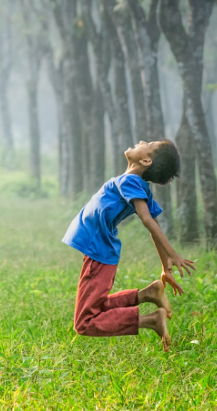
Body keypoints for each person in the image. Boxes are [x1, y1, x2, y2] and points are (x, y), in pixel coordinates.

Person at [62, 140, 195, 352]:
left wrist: (172, 254)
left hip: (99, 251)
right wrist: (165, 268)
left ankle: (151, 320)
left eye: (149, 144)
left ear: (146, 160)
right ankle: (148, 294)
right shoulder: (135, 184)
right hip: (99, 250)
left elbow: (148, 220)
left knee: (84, 322)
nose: (142, 141)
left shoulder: (132, 181)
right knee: (96, 307)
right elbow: (154, 225)